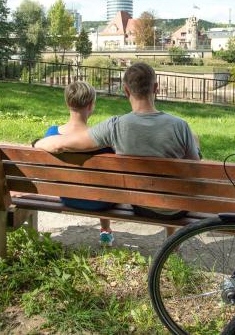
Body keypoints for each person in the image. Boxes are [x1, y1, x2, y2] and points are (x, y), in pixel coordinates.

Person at [34, 62, 201, 222]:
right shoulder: (180, 126)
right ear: (155, 88)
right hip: (177, 209)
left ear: (126, 91)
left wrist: (37, 143)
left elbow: (60, 144)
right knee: (194, 139)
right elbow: (195, 168)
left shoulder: (114, 126)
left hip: (141, 206)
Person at [43, 81, 115, 245]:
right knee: (103, 185)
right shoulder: (101, 140)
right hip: (100, 202)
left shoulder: (51, 134)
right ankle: (105, 230)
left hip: (69, 197)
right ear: (91, 106)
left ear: (67, 103)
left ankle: (105, 230)